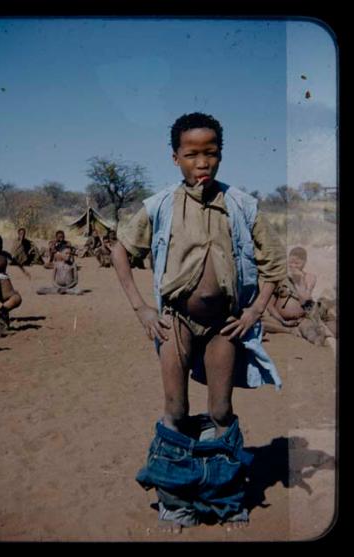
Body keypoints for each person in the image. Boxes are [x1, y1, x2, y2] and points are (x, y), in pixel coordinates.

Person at [109, 112, 287, 528]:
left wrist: (255, 311)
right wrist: (142, 308)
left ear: (220, 155)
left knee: (221, 411)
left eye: (211, 153)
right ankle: (176, 498)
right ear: (175, 158)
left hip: (223, 326)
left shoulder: (242, 205)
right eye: (192, 155)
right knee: (176, 408)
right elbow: (121, 250)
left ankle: (221, 498)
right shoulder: (159, 206)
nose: (202, 163)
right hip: (175, 322)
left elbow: (273, 263)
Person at [263, 246, 330, 345]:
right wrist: (282, 321)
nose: (293, 266)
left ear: (304, 263)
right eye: (291, 262)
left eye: (297, 263)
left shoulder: (309, 278)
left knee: (311, 332)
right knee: (260, 323)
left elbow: (306, 302)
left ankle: (318, 337)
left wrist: (298, 281)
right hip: (279, 320)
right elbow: (269, 305)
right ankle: (288, 330)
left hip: (301, 319)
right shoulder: (279, 277)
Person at [0, 253, 23, 326]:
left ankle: (4, 326)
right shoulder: (3, 275)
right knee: (5, 311)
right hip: (14, 298)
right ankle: (6, 325)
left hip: (13, 299)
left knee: (1, 311)